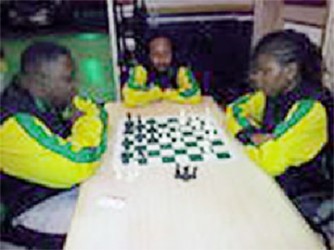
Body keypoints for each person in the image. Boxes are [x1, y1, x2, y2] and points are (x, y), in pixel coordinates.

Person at [226, 30, 333, 248]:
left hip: (303, 196)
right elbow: (234, 110)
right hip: (273, 183)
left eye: (265, 71)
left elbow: (268, 163)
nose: (255, 78)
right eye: (256, 71)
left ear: (291, 71)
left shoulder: (312, 109)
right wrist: (248, 134)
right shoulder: (270, 95)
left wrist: (260, 146)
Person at [0, 42, 108, 249]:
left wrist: (85, 121)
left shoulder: (41, 100)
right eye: (67, 79)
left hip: (57, 190)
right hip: (33, 209)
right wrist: (86, 122)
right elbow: (77, 165)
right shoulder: (12, 124)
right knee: (111, 224)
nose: (74, 86)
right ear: (41, 80)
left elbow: (94, 108)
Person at [122, 35, 201, 107]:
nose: (161, 59)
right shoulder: (141, 71)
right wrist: (157, 94)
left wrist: (166, 94)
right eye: (156, 54)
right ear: (149, 55)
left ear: (173, 54)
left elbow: (194, 94)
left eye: (166, 54)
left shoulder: (181, 70)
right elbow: (130, 97)